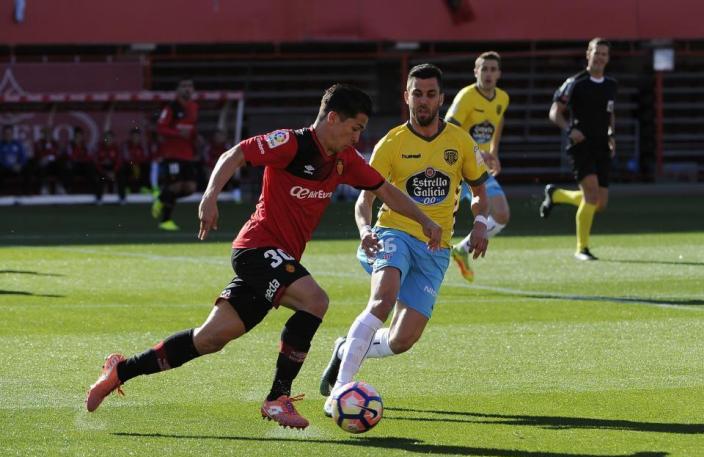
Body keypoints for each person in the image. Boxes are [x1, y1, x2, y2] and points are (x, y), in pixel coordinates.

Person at [85, 84, 442, 430]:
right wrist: (210, 196)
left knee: (209, 338)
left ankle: (120, 370)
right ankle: (277, 397)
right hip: (256, 248)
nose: (357, 137)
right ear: (333, 118)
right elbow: (235, 154)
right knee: (315, 301)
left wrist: (424, 220)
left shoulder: (344, 160)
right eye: (355, 128)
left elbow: (385, 190)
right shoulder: (291, 143)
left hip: (278, 259)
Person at [319, 64, 489, 415]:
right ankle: (340, 391)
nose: (423, 100)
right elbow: (365, 200)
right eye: (417, 93)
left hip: (435, 248)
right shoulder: (392, 143)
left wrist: (481, 223)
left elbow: (479, 190)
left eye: (430, 94)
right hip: (393, 233)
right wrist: (365, 230)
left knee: (402, 340)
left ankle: (345, 349)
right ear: (406, 97)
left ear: (441, 99)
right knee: (383, 299)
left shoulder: (460, 141)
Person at [542, 38, 618, 261]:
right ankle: (581, 249)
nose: (600, 57)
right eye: (596, 53)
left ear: (608, 58)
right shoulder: (575, 82)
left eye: (604, 54)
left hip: (602, 145)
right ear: (588, 54)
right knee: (591, 196)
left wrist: (611, 135)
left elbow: (610, 113)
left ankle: (556, 195)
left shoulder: (611, 84)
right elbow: (555, 112)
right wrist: (569, 130)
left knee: (599, 203)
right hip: (580, 145)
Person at [445, 51, 510, 282]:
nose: (488, 74)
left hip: (479, 167)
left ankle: (461, 249)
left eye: (493, 69)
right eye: (484, 69)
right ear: (476, 72)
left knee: (501, 214)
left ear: (499, 73)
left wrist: (493, 151)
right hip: (459, 166)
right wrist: (476, 151)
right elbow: (448, 129)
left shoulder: (502, 98)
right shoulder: (466, 97)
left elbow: (498, 121)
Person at [152, 79, 199, 230]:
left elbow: (192, 129)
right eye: (184, 86)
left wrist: (195, 140)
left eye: (190, 86)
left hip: (187, 154)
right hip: (172, 154)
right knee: (176, 186)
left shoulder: (194, 107)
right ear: (177, 90)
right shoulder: (171, 108)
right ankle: (165, 221)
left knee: (190, 188)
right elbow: (160, 128)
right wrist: (178, 133)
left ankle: (162, 197)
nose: (187, 89)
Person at [95, 130, 126, 204]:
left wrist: (114, 172)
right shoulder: (99, 148)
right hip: (103, 169)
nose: (108, 140)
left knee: (121, 175)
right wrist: (104, 172)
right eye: (106, 138)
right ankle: (99, 198)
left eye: (110, 138)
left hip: (114, 169)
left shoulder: (117, 148)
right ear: (104, 139)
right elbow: (96, 162)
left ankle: (122, 198)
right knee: (100, 177)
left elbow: (119, 162)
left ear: (113, 139)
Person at [33, 126, 63, 195]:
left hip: (54, 164)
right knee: (42, 165)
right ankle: (44, 187)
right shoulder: (39, 143)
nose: (47, 135)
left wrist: (49, 157)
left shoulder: (55, 143)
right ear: (43, 134)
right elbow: (38, 154)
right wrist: (46, 157)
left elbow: (57, 153)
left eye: (49, 133)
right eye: (46, 133)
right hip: (44, 164)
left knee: (61, 165)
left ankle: (59, 186)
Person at [0, 125, 28, 194]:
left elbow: (23, 157)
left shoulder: (17, 144)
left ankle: (26, 194)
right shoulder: (1, 145)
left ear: (12, 134)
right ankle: (2, 194)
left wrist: (20, 165)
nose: (8, 135)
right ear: (3, 134)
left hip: (17, 167)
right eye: (6, 134)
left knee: (28, 169)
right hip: (5, 168)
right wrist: (9, 166)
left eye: (9, 134)